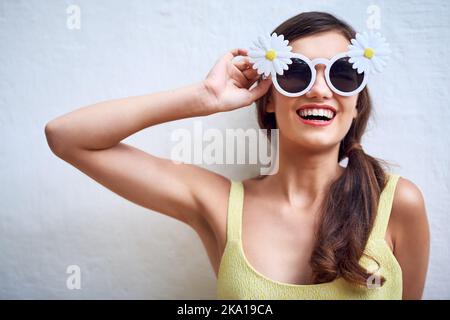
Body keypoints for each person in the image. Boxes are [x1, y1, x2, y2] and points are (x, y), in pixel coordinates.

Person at [45, 11, 429, 299]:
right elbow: (66, 137)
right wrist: (203, 98)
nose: (319, 90)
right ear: (269, 101)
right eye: (296, 73)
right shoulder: (219, 203)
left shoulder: (397, 204)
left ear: (356, 103)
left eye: (343, 74)